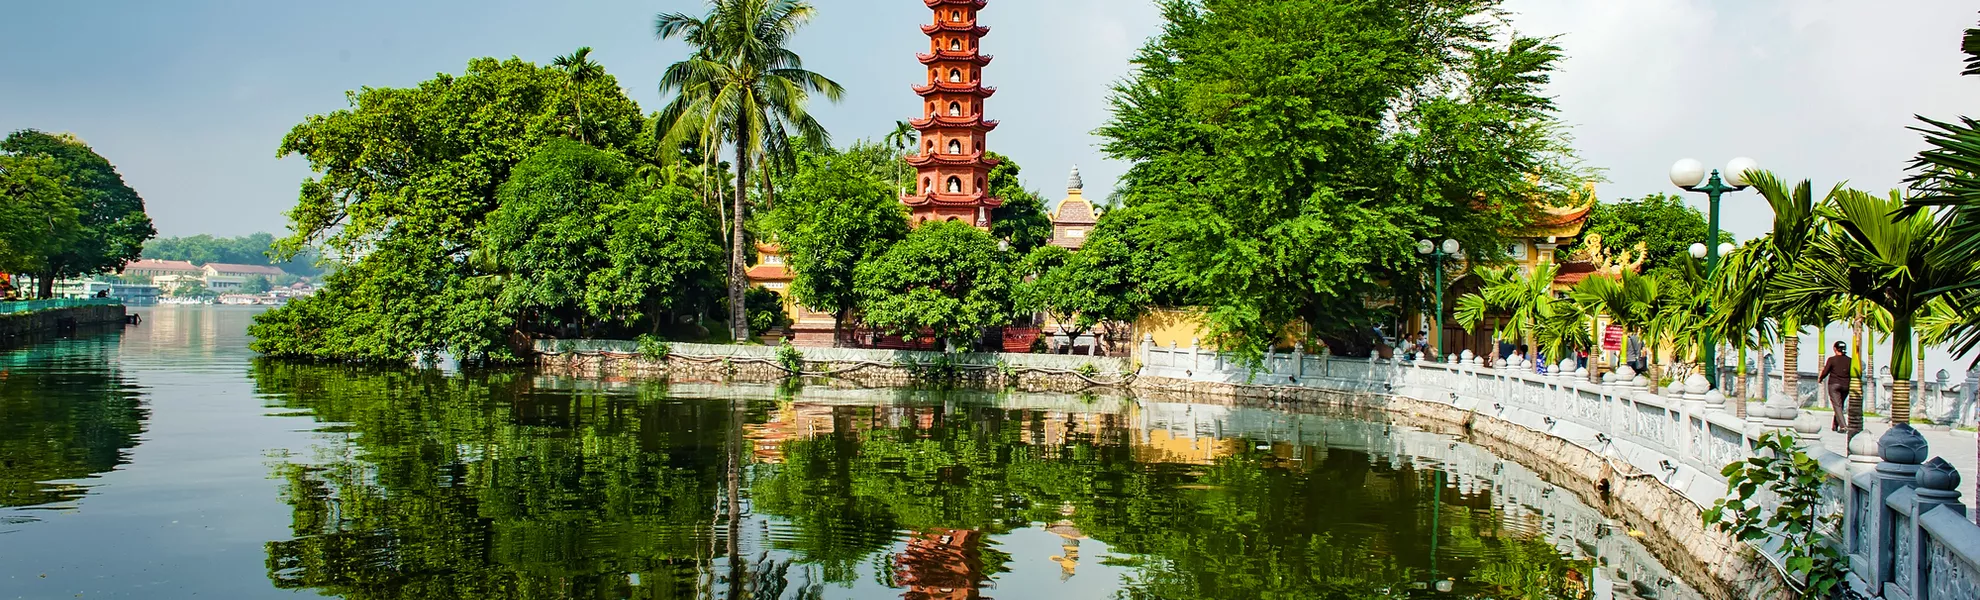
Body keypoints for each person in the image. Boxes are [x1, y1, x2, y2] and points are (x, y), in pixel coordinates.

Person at [1817, 341, 1852, 432]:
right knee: (1840, 405)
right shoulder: (1850, 360)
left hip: (1834, 384)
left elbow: (1825, 371)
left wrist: (1820, 378)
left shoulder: (1832, 359)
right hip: (1846, 385)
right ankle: (1835, 426)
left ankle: (1843, 426)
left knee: (1837, 405)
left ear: (1835, 349)